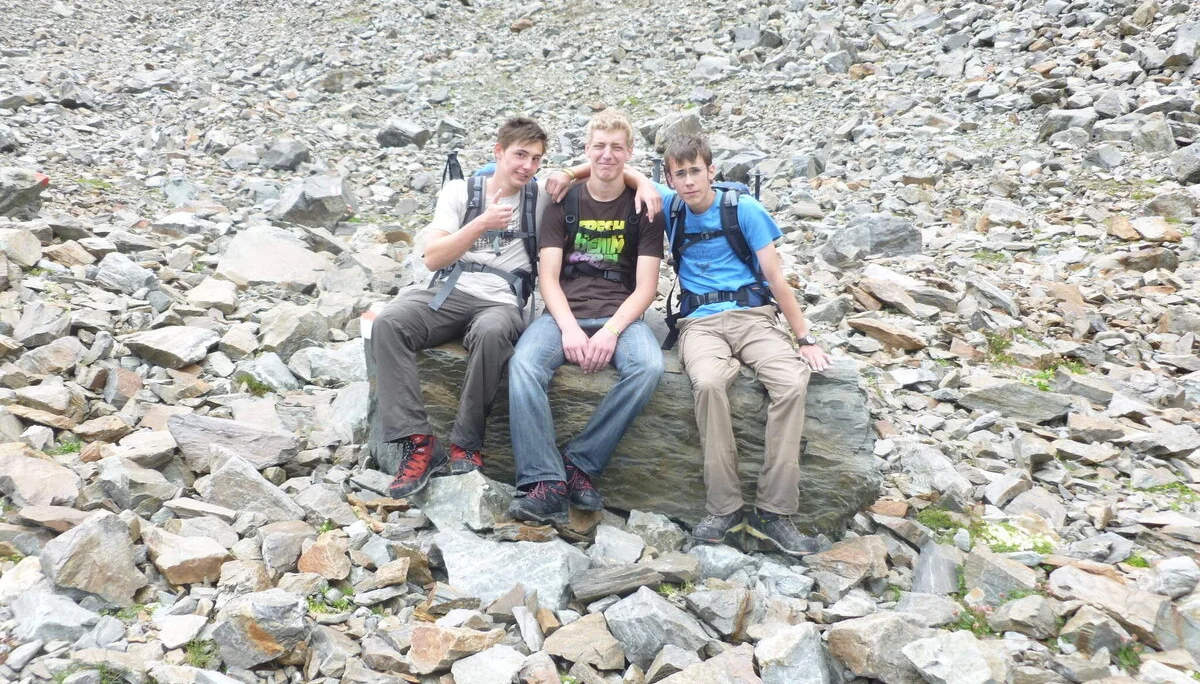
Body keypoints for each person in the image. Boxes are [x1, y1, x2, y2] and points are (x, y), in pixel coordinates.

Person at [658, 133, 833, 556]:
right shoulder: (669, 206)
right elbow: (619, 169)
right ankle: (725, 508)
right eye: (679, 174)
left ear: (711, 171)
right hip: (699, 323)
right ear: (669, 178)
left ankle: (773, 513)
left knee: (791, 381)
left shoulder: (744, 209)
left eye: (695, 171)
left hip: (753, 316)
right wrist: (570, 173)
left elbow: (776, 278)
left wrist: (804, 338)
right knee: (709, 383)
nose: (689, 181)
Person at [507, 110, 666, 524]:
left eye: (616, 147)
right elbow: (548, 278)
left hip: (621, 314)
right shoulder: (563, 200)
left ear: (630, 152)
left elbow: (646, 287)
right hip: (566, 312)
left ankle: (581, 463)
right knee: (524, 365)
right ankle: (545, 481)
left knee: (647, 367)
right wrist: (571, 330)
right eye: (599, 146)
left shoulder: (645, 206)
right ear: (586, 150)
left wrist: (612, 331)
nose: (607, 155)